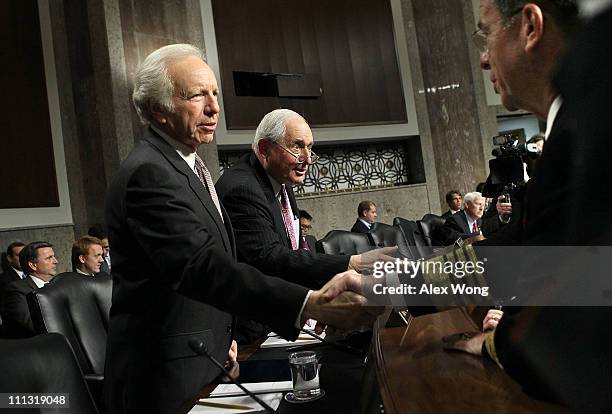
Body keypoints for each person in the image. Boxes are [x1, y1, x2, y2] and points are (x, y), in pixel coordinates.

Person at [104, 44, 383, 414]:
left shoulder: (182, 163)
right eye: (196, 95)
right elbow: (201, 267)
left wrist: (224, 336)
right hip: (163, 379)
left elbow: (219, 259)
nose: (214, 106)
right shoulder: (149, 172)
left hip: (204, 358)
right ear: (158, 109)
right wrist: (308, 303)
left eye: (215, 93)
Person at [443, 1, 612, 412]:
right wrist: (391, 280)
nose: (484, 59)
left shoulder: (591, 125)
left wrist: (498, 342)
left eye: (487, 33)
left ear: (531, 27)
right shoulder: (569, 128)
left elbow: (576, 332)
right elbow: (513, 249)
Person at [0, 241, 58, 338]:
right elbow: (32, 324)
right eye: (49, 258)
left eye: (54, 256)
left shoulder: (57, 284)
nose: (56, 261)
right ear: (33, 265)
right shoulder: (16, 290)